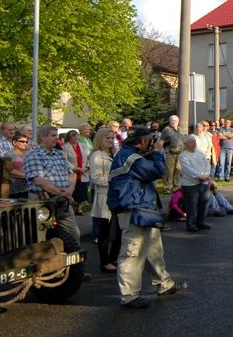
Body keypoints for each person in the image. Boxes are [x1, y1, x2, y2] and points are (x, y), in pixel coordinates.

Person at [108, 126, 178, 308]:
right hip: (133, 209)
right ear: (141, 141)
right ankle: (129, 295)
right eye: (149, 140)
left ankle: (164, 283)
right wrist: (157, 152)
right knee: (133, 252)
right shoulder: (130, 158)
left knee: (153, 250)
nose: (151, 143)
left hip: (143, 209)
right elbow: (156, 170)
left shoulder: (131, 154)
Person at [22, 125, 82, 262]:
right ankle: (42, 266)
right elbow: (39, 180)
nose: (57, 138)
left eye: (57, 135)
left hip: (62, 200)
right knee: (41, 235)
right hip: (42, 200)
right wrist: (63, 194)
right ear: (43, 137)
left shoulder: (59, 154)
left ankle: (74, 265)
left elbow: (71, 173)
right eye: (53, 135)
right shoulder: (33, 155)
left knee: (73, 233)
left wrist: (70, 190)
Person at [89, 128, 120, 273]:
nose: (111, 140)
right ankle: (105, 261)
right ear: (100, 139)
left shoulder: (113, 154)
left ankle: (113, 258)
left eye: (112, 138)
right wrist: (113, 180)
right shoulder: (97, 155)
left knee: (117, 231)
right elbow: (96, 178)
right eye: (108, 138)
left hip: (115, 196)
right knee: (105, 232)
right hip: (104, 196)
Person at [178, 134, 213, 232]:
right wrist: (200, 176)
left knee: (204, 203)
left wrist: (206, 175)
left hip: (204, 182)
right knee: (191, 205)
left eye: (194, 141)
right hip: (190, 184)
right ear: (185, 144)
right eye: (191, 142)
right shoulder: (183, 156)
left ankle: (200, 222)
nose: (194, 143)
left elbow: (207, 164)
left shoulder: (200, 153)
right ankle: (191, 224)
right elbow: (188, 169)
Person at [161, 114, 184, 189]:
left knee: (178, 170)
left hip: (180, 153)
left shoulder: (180, 130)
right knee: (169, 170)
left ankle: (177, 186)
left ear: (178, 121)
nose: (173, 122)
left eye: (175, 120)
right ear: (169, 121)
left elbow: (183, 140)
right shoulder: (166, 129)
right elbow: (161, 141)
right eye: (172, 120)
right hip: (170, 153)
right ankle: (167, 187)